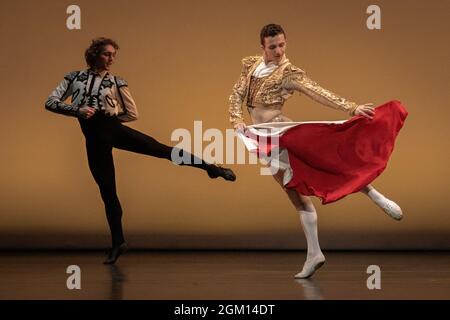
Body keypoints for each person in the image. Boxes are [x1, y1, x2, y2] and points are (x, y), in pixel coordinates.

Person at [229, 24, 407, 278]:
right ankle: (314, 253)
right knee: (295, 192)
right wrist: (236, 119)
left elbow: (317, 91)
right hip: (262, 138)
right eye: (273, 47)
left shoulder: (288, 73)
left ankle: (374, 194)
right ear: (262, 47)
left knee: (327, 166)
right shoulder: (251, 66)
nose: (279, 51)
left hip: (281, 132)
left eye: (282, 45)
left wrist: (351, 107)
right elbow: (236, 95)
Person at [45, 37, 236, 264]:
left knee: (163, 150)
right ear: (94, 53)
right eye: (107, 54)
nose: (111, 59)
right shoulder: (73, 77)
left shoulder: (117, 82)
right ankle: (118, 242)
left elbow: (132, 114)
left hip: (112, 129)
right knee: (108, 192)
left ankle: (211, 168)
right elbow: (50, 101)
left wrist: (113, 116)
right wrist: (76, 110)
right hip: (94, 140)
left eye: (113, 55)